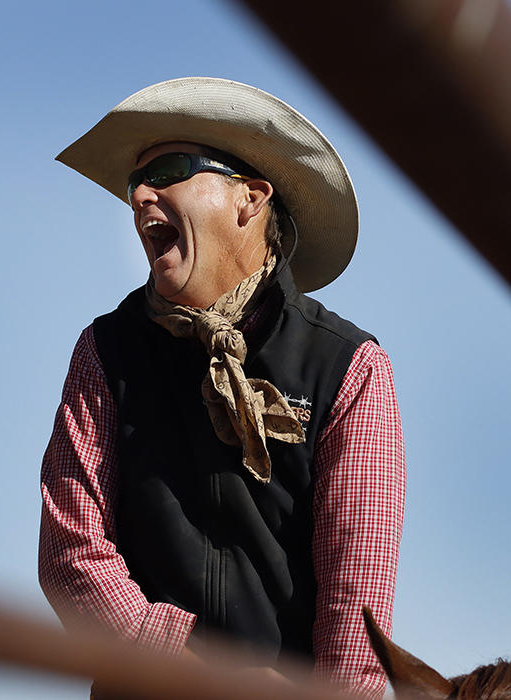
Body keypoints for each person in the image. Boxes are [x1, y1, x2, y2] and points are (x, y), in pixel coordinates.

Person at [38, 77, 405, 697]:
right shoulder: (106, 351)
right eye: (136, 184)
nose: (141, 197)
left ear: (250, 199)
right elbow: (69, 551)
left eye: (170, 170)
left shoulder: (347, 366)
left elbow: (357, 599)